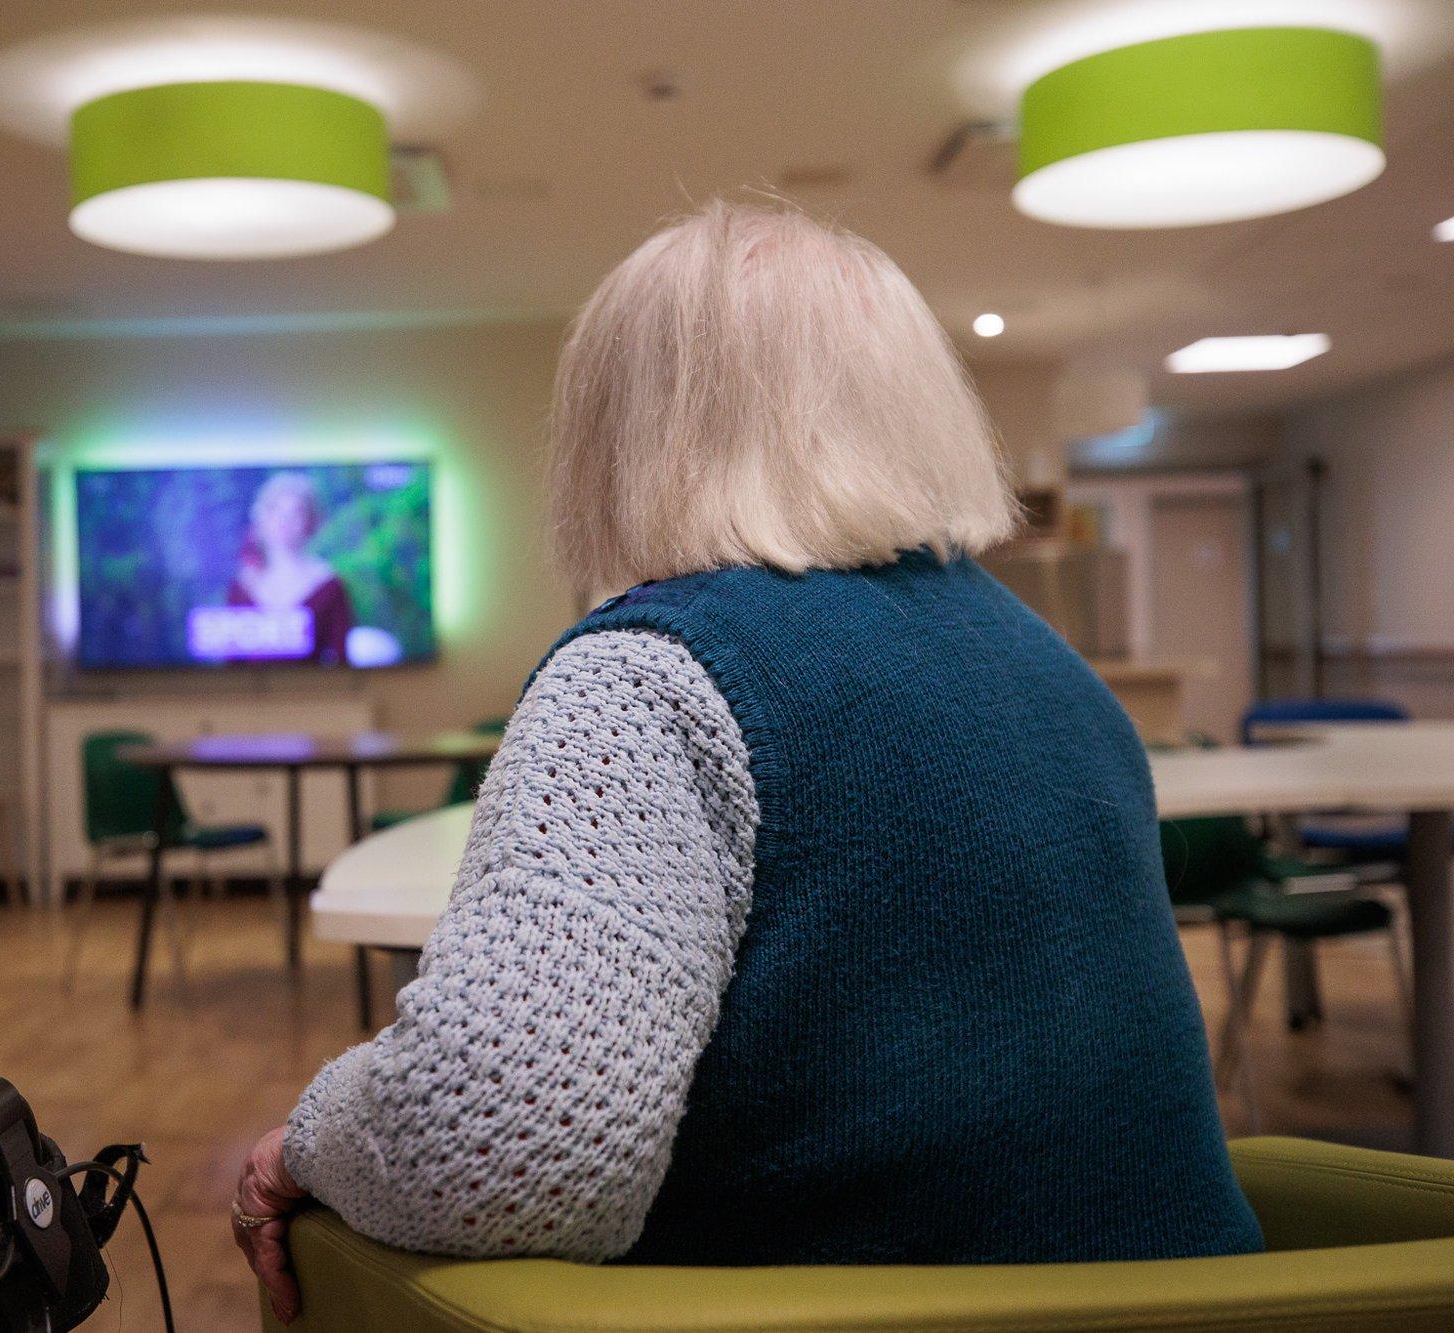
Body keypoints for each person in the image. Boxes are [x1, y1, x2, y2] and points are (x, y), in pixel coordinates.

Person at [234, 201, 1262, 1323]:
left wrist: (306, 1137)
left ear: (617, 432)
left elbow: (497, 1146)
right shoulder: (1059, 672)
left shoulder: (645, 674)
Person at [225, 472, 354, 664]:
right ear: (261, 518)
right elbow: (231, 662)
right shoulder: (242, 586)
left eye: (295, 513)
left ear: (310, 521)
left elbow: (341, 656)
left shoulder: (328, 584)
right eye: (275, 510)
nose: (284, 521)